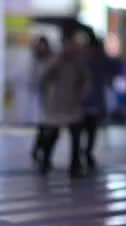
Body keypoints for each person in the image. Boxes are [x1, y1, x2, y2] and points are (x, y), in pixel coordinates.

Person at [39, 31, 90, 178]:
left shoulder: (78, 62)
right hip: (57, 104)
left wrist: (82, 94)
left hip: (73, 105)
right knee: (52, 135)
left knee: (75, 137)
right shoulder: (55, 60)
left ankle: (75, 166)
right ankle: (45, 161)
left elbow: (86, 80)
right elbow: (45, 78)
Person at [82, 36, 112, 171]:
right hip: (88, 100)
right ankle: (86, 153)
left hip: (90, 100)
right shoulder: (96, 60)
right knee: (88, 130)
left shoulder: (96, 60)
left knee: (89, 130)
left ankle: (86, 153)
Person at [28, 36, 53, 165]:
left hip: (51, 95)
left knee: (46, 125)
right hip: (40, 95)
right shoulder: (36, 59)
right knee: (43, 125)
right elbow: (33, 76)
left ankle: (39, 150)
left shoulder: (51, 59)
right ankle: (39, 150)